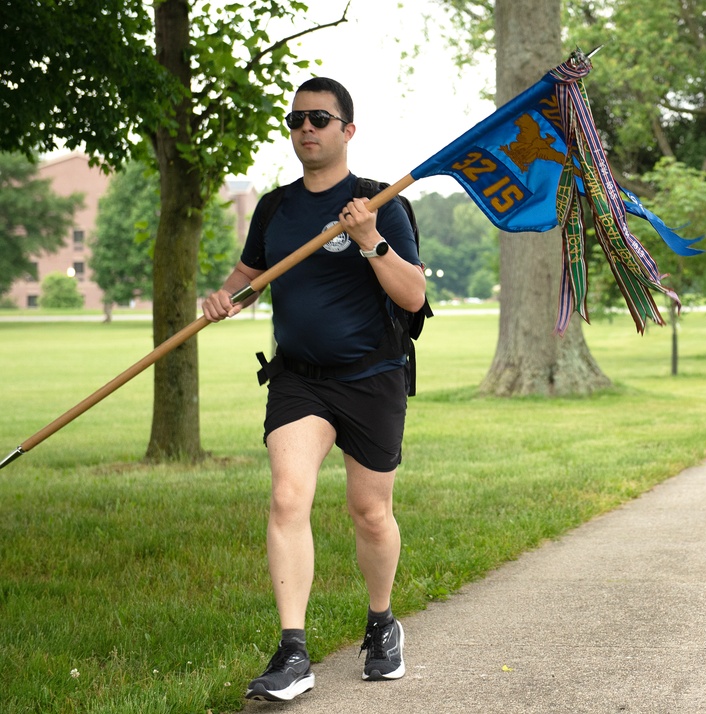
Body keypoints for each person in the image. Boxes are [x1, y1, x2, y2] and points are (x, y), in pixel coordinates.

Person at [202, 77, 426, 701]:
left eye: (320, 119)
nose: (305, 128)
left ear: (347, 130)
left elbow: (412, 296)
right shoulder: (275, 209)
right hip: (299, 379)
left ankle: (381, 623)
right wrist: (226, 297)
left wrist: (369, 239)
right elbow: (250, 278)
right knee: (287, 498)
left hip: (371, 377)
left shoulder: (380, 202)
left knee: (370, 513)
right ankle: (293, 650)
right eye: (296, 118)